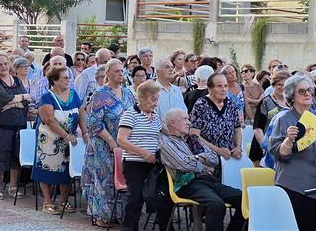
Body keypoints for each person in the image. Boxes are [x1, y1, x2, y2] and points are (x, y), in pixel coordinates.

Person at [269, 74, 316, 231]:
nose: (307, 94)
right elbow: (280, 154)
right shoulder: (284, 119)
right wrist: (288, 140)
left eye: (310, 90)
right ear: (291, 95)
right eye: (302, 91)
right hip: (295, 189)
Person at [160, 109, 245, 231]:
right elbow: (184, 164)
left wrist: (195, 158)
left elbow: (214, 158)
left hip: (209, 180)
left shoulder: (194, 140)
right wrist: (203, 163)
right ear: (172, 123)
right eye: (185, 119)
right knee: (216, 205)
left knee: (244, 199)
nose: (189, 122)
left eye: (188, 119)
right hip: (189, 184)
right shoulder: (167, 144)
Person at [83, 59, 134, 227]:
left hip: (124, 143)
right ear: (108, 74)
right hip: (103, 144)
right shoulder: (100, 94)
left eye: (122, 71)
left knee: (123, 177)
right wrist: (111, 141)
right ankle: (101, 215)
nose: (121, 74)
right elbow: (95, 123)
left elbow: (133, 115)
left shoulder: (127, 93)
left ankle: (119, 213)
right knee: (104, 180)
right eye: (117, 71)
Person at [117, 81, 169, 231]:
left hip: (153, 163)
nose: (156, 103)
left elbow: (162, 134)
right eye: (153, 99)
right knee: (136, 197)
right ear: (142, 98)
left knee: (161, 195)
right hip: (134, 163)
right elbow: (121, 140)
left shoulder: (155, 116)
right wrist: (144, 153)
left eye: (157, 99)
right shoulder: (130, 114)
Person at [32, 66, 81, 214]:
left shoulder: (73, 94)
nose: (68, 80)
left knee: (67, 170)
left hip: (69, 139)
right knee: (47, 168)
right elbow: (49, 119)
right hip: (50, 139)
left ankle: (63, 200)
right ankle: (47, 202)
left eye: (68, 77)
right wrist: (65, 135)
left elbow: (82, 114)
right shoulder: (46, 97)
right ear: (54, 80)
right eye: (64, 78)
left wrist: (84, 133)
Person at [0, 54, 30, 200]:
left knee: (15, 156)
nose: (4, 67)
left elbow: (26, 100)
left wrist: (15, 101)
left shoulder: (17, 80)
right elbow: (0, 100)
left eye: (5, 63)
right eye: (0, 64)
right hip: (0, 125)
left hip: (18, 124)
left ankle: (12, 186)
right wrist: (19, 99)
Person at [191, 73, 242, 170]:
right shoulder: (201, 105)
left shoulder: (231, 103)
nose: (224, 89)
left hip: (229, 157)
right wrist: (217, 150)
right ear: (210, 88)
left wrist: (238, 146)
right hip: (209, 159)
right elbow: (194, 135)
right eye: (219, 86)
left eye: (226, 86)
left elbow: (237, 128)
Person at [249, 70, 290, 162]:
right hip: (263, 150)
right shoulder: (265, 102)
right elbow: (257, 128)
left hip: (284, 148)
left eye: (285, 85)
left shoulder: (292, 103)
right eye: (279, 84)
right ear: (273, 85)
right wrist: (265, 147)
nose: (282, 87)